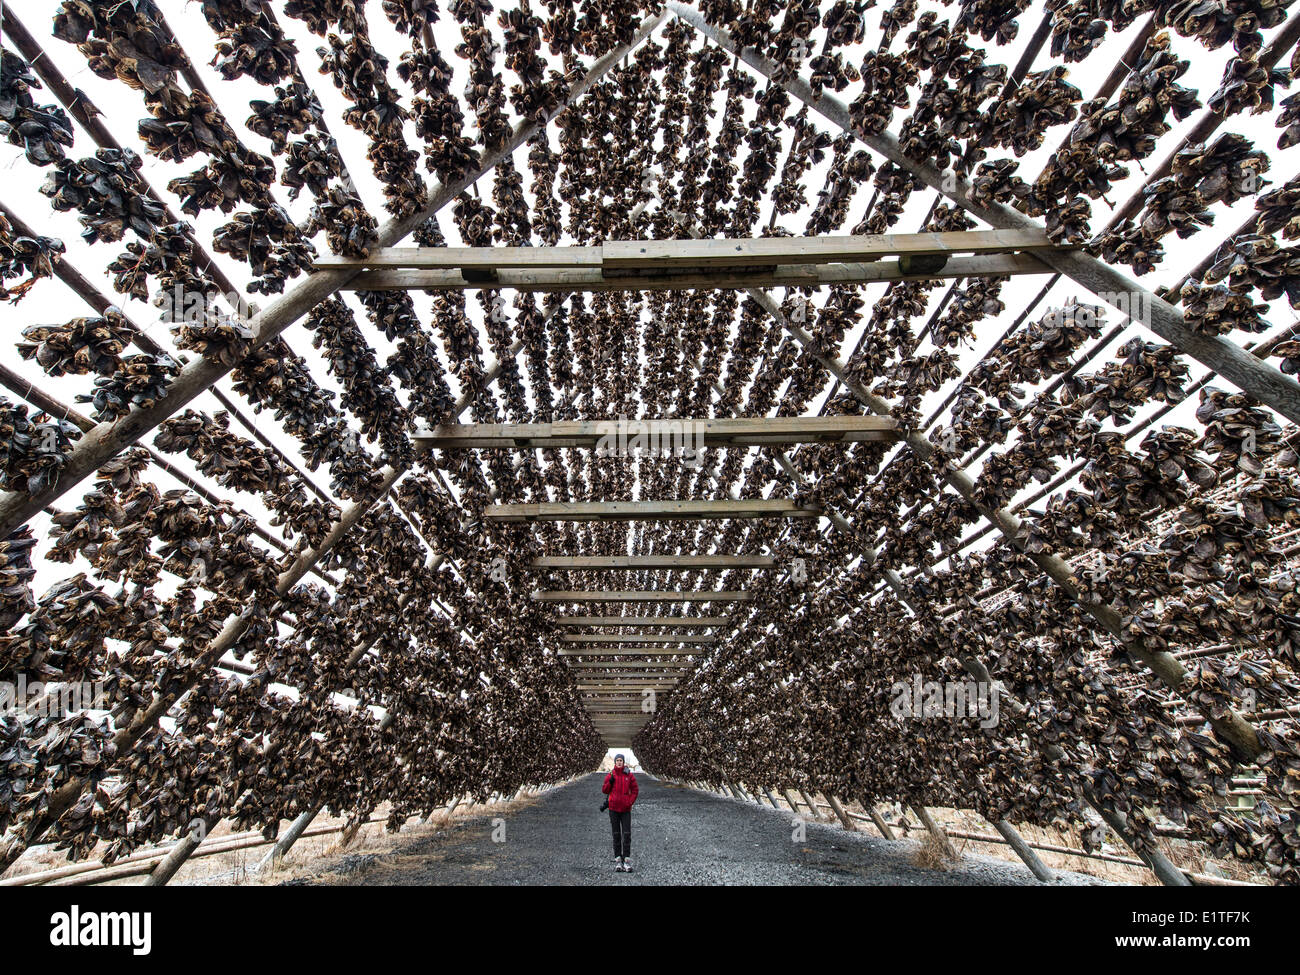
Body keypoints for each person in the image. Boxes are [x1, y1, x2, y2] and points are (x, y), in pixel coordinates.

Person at [602, 754, 639, 872]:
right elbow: (604, 790)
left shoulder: (629, 775)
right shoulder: (611, 775)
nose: (619, 762)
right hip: (613, 809)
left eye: (621, 760)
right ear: (615, 762)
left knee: (627, 834)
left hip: (625, 810)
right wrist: (610, 782)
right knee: (616, 834)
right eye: (617, 760)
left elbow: (635, 789)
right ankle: (618, 860)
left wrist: (630, 802)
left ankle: (626, 860)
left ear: (623, 762)